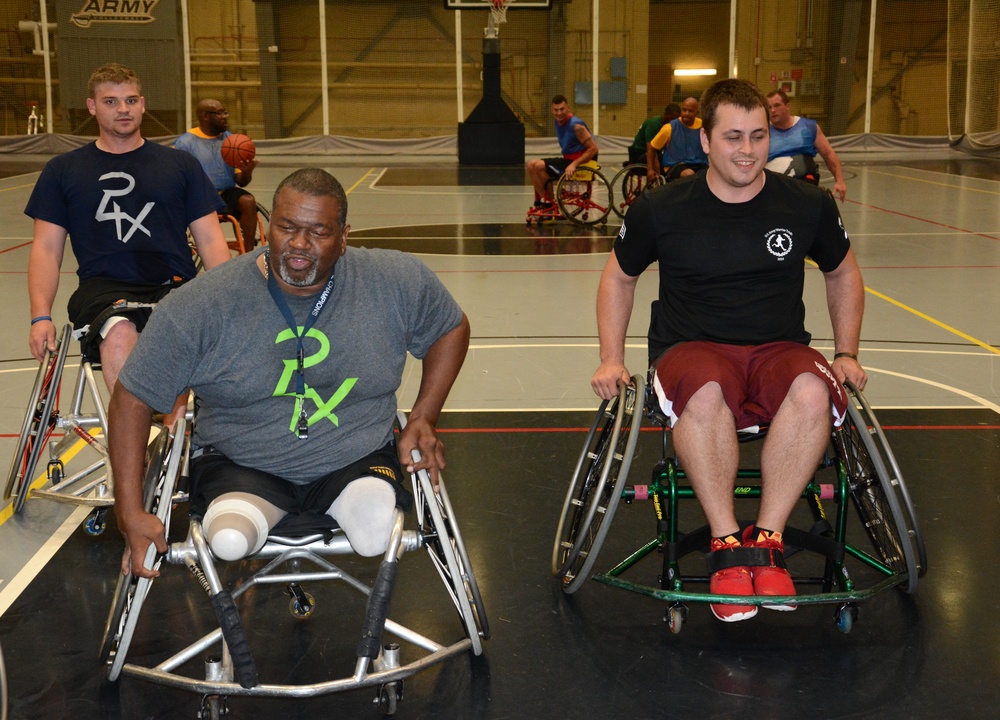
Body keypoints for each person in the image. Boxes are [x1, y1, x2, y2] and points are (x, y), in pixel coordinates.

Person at [591, 78, 866, 623]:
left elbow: (843, 273)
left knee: (814, 389)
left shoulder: (805, 204)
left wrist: (847, 351)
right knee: (707, 388)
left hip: (779, 348)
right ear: (706, 142)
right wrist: (610, 355)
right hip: (692, 348)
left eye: (758, 136)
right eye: (734, 136)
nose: (747, 150)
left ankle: (765, 540)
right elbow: (618, 279)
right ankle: (725, 545)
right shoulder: (661, 207)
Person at [110, 168, 471, 577]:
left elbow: (450, 328)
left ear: (344, 236)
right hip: (240, 463)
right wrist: (129, 509)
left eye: (319, 231)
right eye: (287, 228)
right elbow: (132, 397)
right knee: (229, 539)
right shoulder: (201, 304)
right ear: (268, 229)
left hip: (356, 458)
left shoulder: (395, 281)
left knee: (374, 533)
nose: (300, 245)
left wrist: (425, 415)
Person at [25, 63, 230, 398]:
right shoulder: (63, 170)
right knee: (119, 331)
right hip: (103, 290)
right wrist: (40, 317)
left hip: (174, 285)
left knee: (174, 335)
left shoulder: (180, 165)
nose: (123, 109)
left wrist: (228, 302)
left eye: (131, 100)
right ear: (92, 107)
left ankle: (167, 440)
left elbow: (210, 239)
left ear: (143, 104)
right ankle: (137, 436)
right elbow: (47, 249)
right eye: (111, 101)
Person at [174, 98, 261, 249]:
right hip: (199, 197)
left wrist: (247, 172)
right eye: (219, 113)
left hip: (225, 194)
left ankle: (248, 253)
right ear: (205, 116)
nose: (225, 116)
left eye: (225, 112)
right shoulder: (185, 143)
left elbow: (241, 181)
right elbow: (176, 179)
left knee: (248, 201)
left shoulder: (232, 141)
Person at [765, 89, 847, 202]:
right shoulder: (762, 131)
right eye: (769, 107)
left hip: (805, 185)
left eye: (777, 105)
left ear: (787, 106)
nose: (773, 110)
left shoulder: (808, 127)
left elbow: (828, 154)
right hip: (774, 188)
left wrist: (840, 181)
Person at [526, 95, 600, 214]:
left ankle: (551, 204)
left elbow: (594, 149)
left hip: (578, 162)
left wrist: (574, 164)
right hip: (567, 159)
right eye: (556, 110)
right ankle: (547, 201)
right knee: (530, 165)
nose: (559, 113)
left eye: (562, 109)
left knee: (539, 166)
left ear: (568, 108)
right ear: (552, 110)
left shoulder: (576, 126)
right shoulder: (557, 122)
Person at [647, 96, 709, 183]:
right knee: (689, 174)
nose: (686, 113)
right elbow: (651, 147)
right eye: (684, 110)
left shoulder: (703, 126)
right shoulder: (669, 128)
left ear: (697, 113)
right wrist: (650, 170)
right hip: (676, 166)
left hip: (700, 165)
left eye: (690, 111)